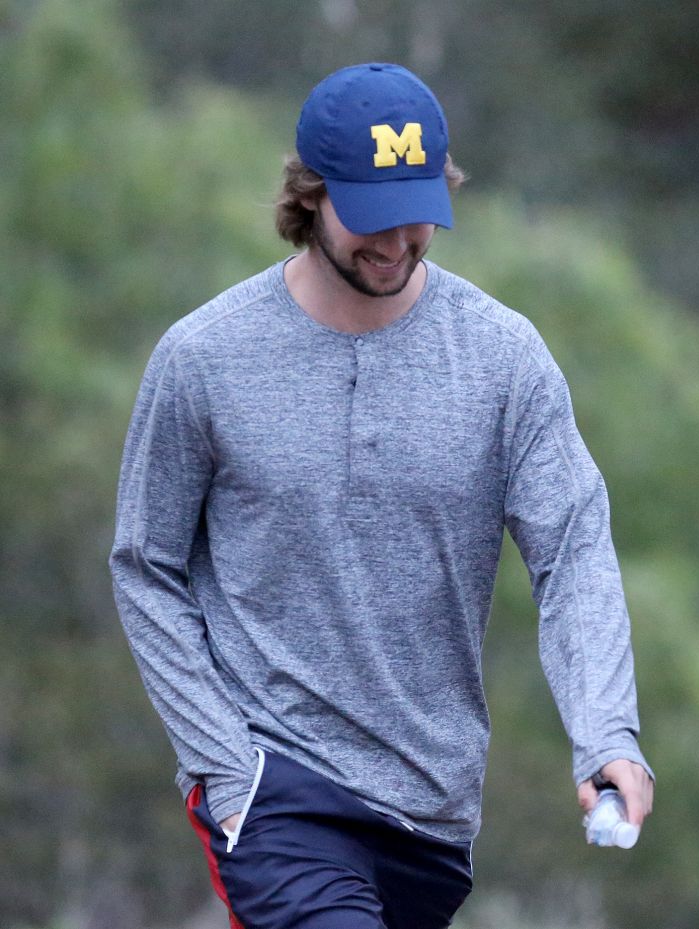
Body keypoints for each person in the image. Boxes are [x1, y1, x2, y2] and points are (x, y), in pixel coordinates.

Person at [110, 62, 653, 929]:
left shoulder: (503, 359)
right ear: (311, 196)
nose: (397, 241)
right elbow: (147, 565)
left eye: (418, 212)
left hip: (430, 808)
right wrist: (223, 761)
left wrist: (606, 732)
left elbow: (573, 552)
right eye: (371, 215)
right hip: (275, 783)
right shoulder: (203, 358)